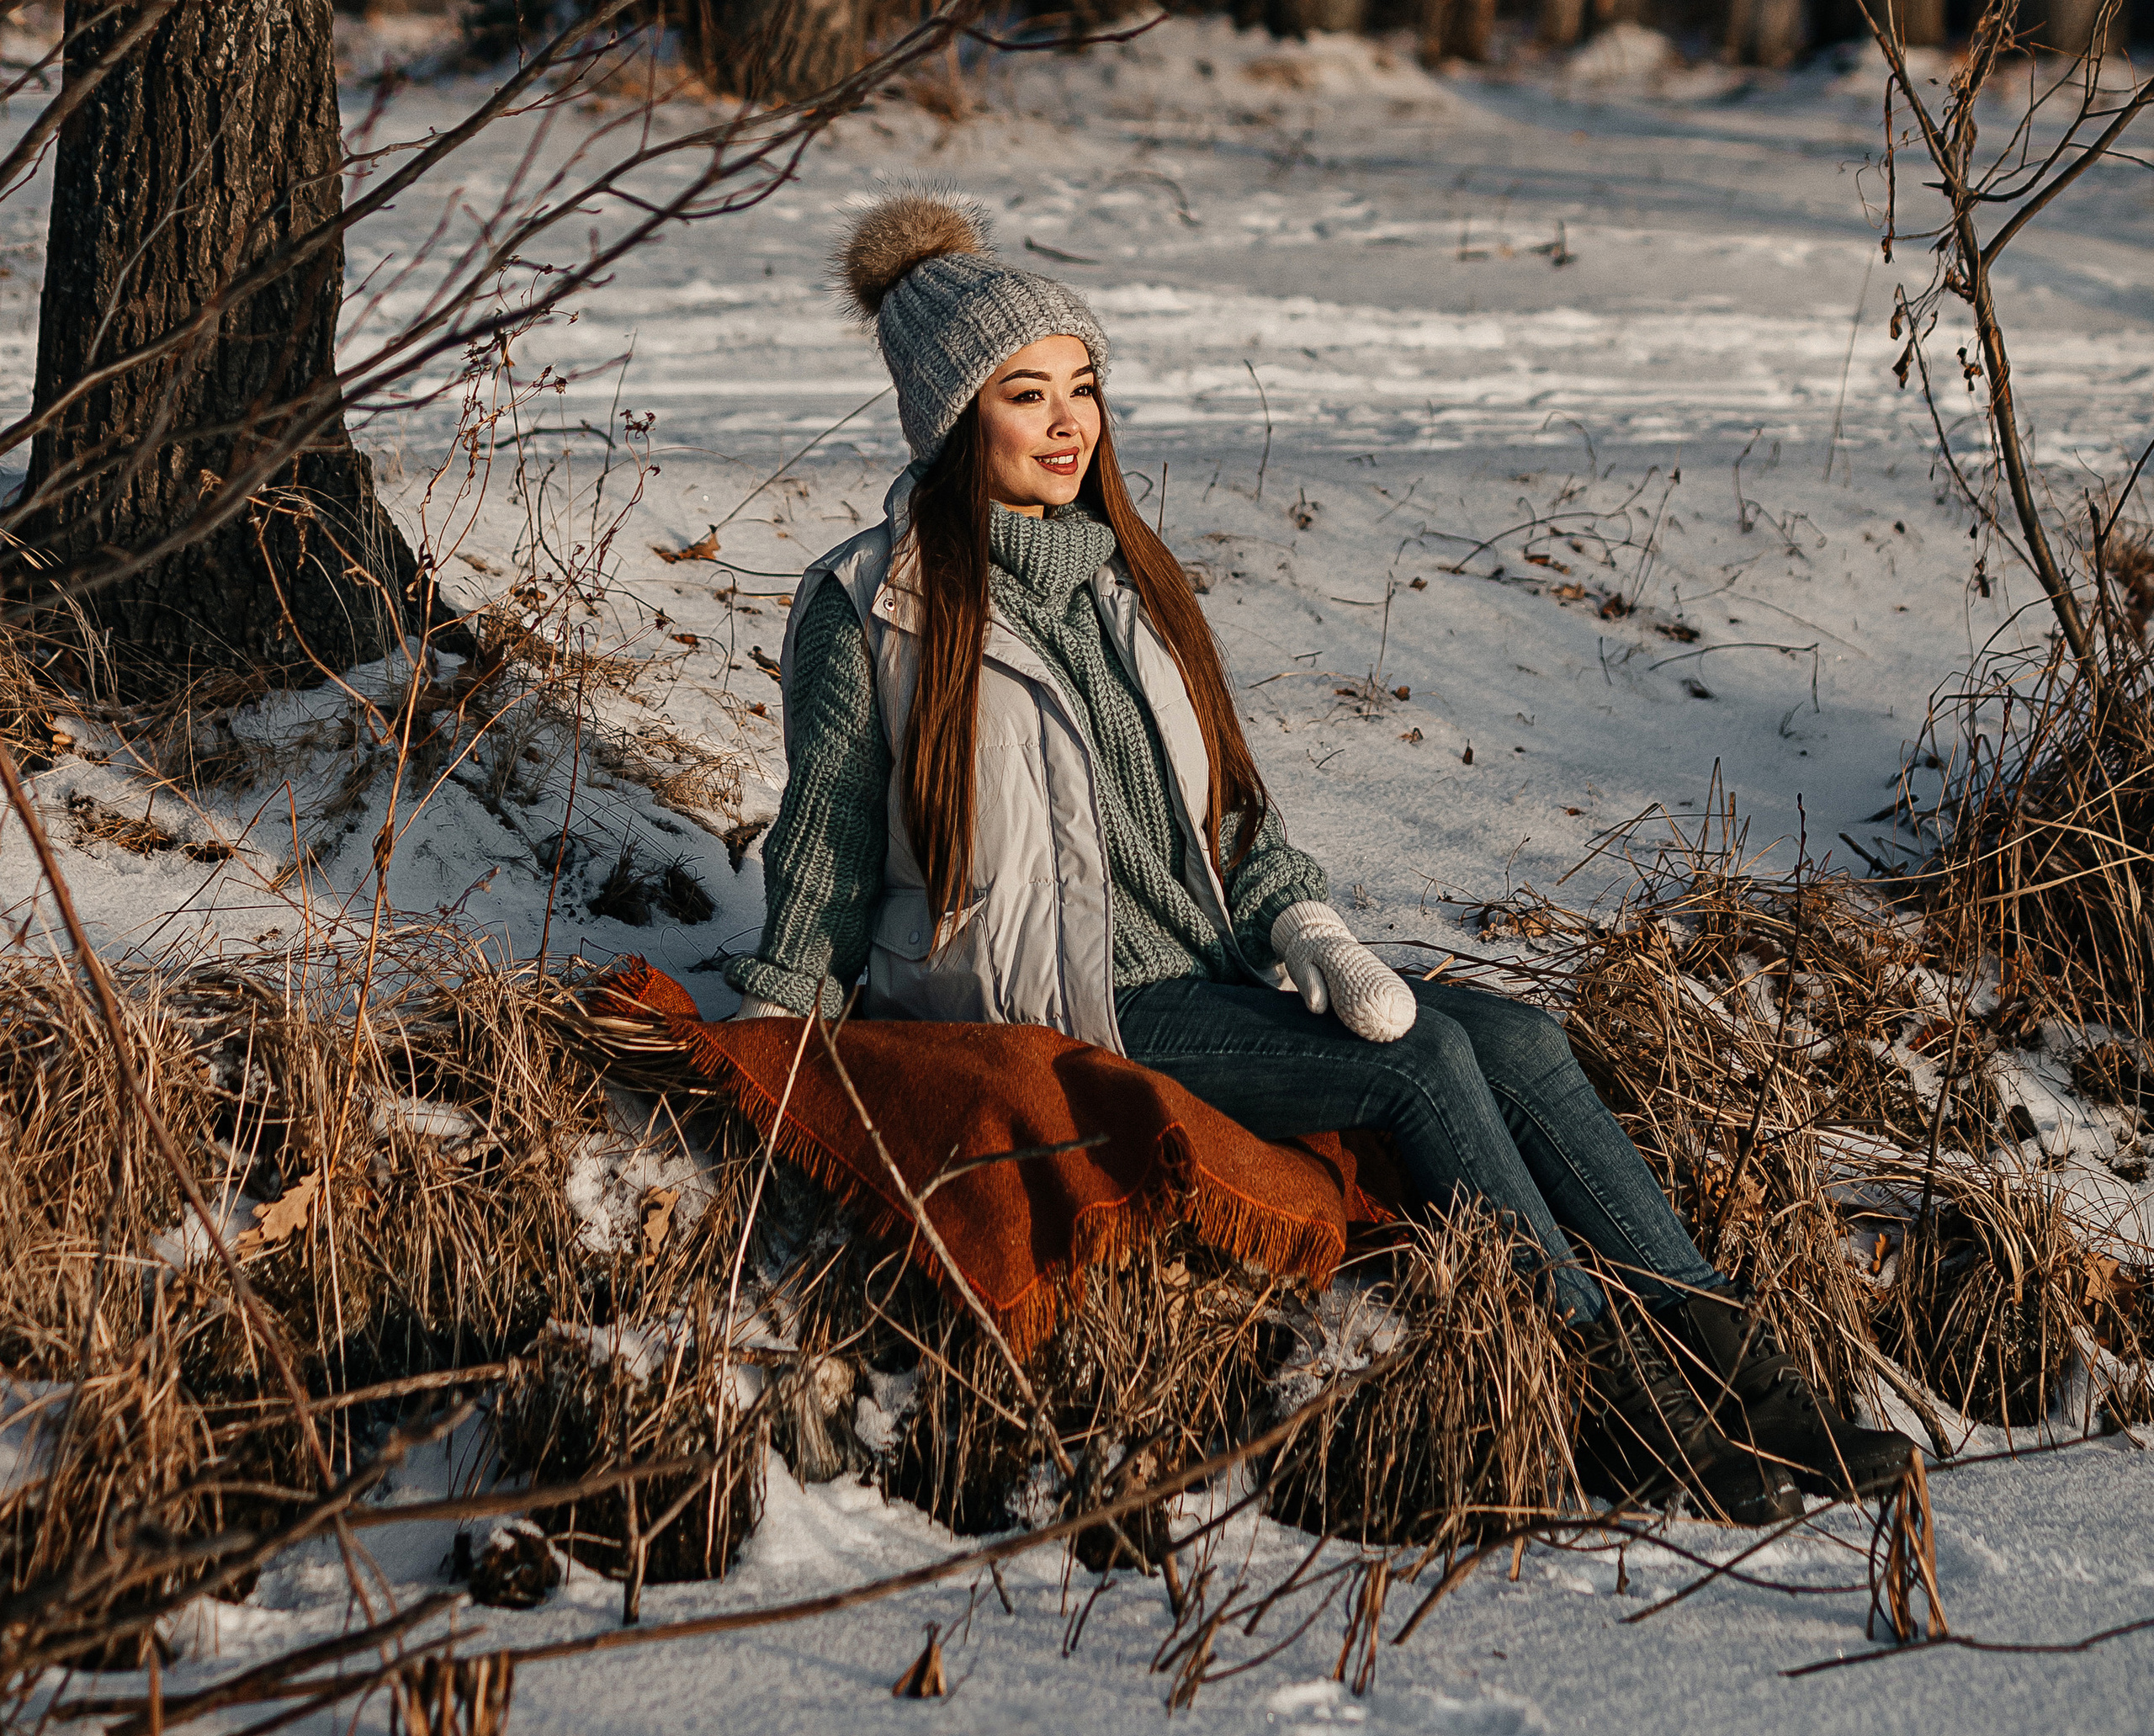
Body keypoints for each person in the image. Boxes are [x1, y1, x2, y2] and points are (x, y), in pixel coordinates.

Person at [727, 189, 1905, 1523]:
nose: (1070, 426)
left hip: (1203, 968)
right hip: (1061, 995)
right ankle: (1631, 1409)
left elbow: (1237, 819)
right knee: (1422, 1066)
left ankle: (1763, 1394)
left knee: (1514, 1035)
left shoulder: (1131, 582)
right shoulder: (873, 608)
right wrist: (780, 1023)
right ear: (954, 419)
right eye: (1026, 395)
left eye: (1086, 388)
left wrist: (1312, 935)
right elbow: (822, 841)